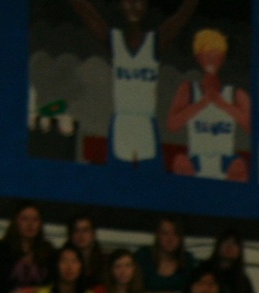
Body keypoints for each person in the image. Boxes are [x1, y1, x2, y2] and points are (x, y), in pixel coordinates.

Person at [66, 0, 202, 169]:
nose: (133, 6)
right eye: (128, 1)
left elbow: (181, 16)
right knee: (117, 179)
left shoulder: (154, 42)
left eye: (138, 2)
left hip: (146, 123)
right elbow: (87, 13)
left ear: (146, 6)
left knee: (150, 179)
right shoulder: (114, 40)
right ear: (120, 5)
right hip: (122, 122)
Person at [170, 32, 251, 180]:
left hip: (226, 160)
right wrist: (203, 102)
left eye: (215, 54)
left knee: (239, 166)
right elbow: (172, 125)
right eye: (206, 54)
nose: (211, 59)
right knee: (180, 162)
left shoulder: (235, 93)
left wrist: (221, 103)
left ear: (223, 57)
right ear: (198, 57)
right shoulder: (188, 89)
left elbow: (252, 127)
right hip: (196, 160)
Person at [0, 202, 56, 293]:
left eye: (35, 219)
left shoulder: (49, 251)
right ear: (16, 222)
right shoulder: (1, 249)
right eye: (25, 219)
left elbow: (53, 285)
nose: (30, 224)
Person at [136, 216, 194, 293]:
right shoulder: (144, 256)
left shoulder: (187, 261)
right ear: (158, 236)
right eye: (165, 233)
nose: (170, 239)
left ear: (180, 238)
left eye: (175, 233)